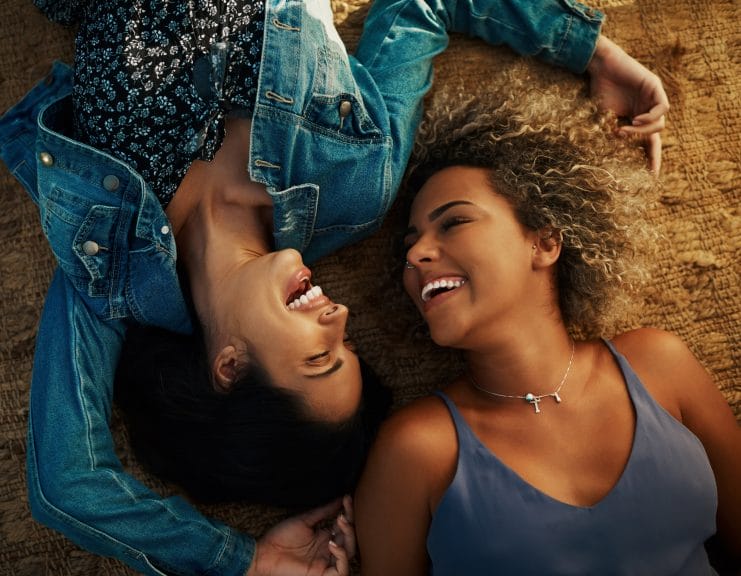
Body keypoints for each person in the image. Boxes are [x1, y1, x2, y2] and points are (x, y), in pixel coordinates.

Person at [0, 1, 669, 575]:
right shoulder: (354, 184)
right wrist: (588, 49)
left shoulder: (108, 261)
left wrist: (239, 562)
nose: (339, 314)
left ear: (229, 366)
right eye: (347, 345)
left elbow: (67, 481)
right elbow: (417, 6)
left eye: (321, 356)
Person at [354, 89, 741, 575]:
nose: (415, 255)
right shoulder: (418, 449)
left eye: (453, 222)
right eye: (409, 245)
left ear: (545, 241)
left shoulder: (660, 366)